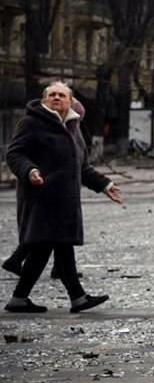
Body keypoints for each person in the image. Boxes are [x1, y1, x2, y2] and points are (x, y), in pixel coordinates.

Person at [4, 81, 123, 314]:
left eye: (61, 95)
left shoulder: (73, 127)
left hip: (65, 202)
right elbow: (14, 153)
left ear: (70, 101)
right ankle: (76, 297)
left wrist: (105, 185)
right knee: (54, 245)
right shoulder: (32, 122)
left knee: (48, 247)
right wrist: (29, 171)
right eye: (52, 95)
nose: (57, 98)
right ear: (44, 99)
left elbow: (83, 167)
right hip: (41, 199)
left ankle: (21, 298)